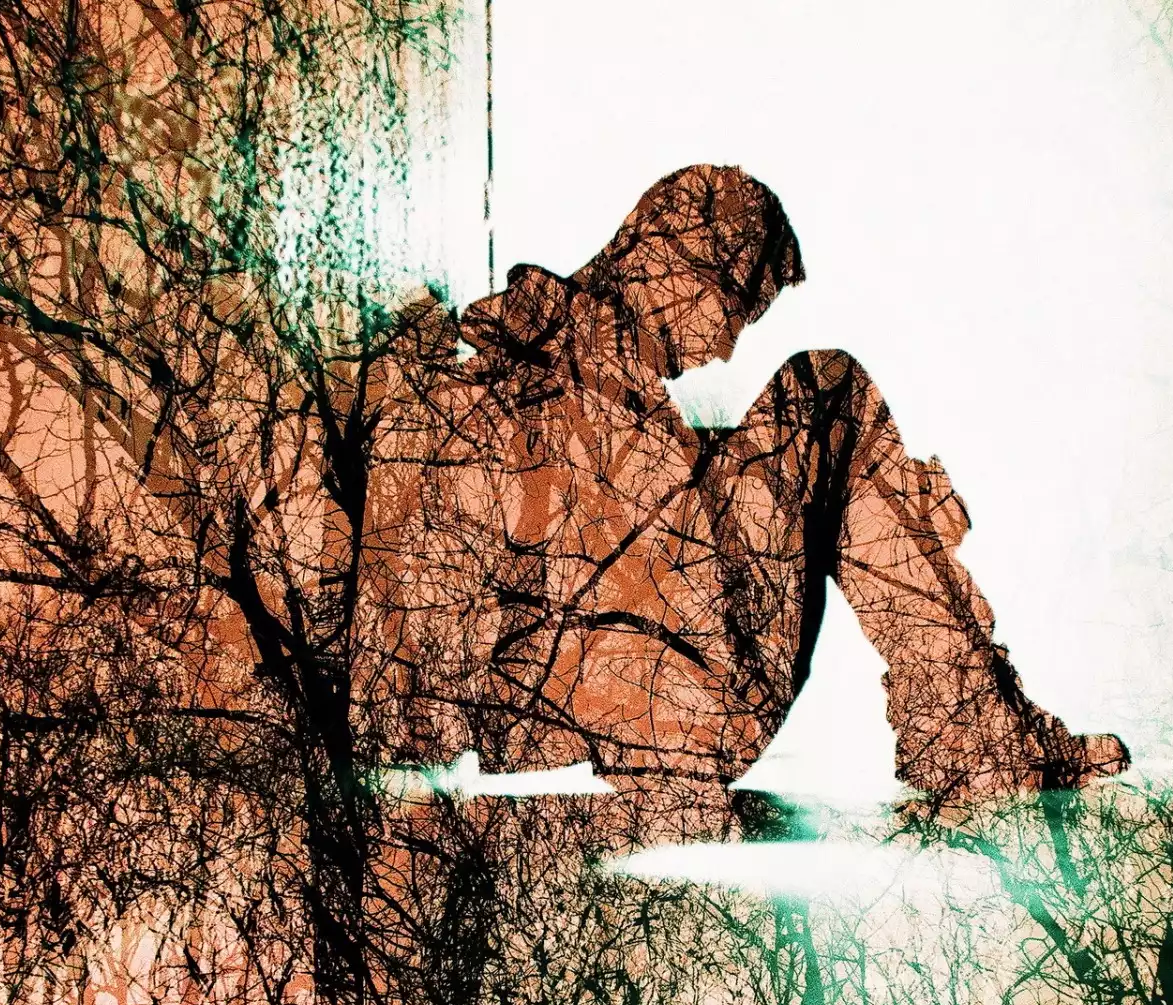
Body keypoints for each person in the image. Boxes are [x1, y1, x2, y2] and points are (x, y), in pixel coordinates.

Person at [358, 163, 1128, 834]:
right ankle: (976, 732)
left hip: (648, 693)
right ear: (669, 265)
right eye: (732, 308)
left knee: (824, 418)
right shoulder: (520, 385)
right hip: (667, 705)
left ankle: (975, 725)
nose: (726, 346)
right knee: (828, 389)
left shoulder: (565, 372)